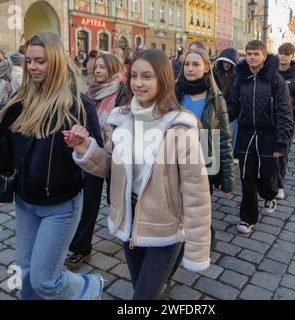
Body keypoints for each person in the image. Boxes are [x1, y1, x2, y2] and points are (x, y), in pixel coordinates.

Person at [65, 49, 212, 300]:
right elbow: (109, 166)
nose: (139, 83)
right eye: (134, 76)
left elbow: (196, 193)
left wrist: (197, 250)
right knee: (143, 292)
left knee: (142, 298)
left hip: (166, 228)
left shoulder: (180, 127)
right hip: (129, 222)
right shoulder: (122, 119)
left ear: (163, 79)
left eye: (147, 76)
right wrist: (86, 149)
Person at [0, 32, 104, 300]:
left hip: (61, 207)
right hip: (25, 201)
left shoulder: (79, 106)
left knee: (45, 280)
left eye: (40, 61)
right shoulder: (22, 101)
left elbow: (100, 165)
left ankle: (90, 288)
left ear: (56, 62)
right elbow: (4, 149)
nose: (32, 67)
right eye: (30, 61)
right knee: (24, 275)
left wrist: (85, 146)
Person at [65, 53, 127, 268]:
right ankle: (81, 248)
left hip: (116, 155)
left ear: (113, 68)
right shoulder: (89, 94)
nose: (98, 71)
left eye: (103, 67)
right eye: (96, 67)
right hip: (93, 152)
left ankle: (130, 232)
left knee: (116, 198)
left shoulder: (124, 93)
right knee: (88, 202)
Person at [227, 40, 293, 234]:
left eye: (256, 54)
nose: (252, 57)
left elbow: (284, 111)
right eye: (249, 54)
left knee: (267, 176)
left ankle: (269, 195)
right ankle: (247, 218)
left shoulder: (275, 80)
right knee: (247, 177)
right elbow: (232, 105)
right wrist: (218, 119)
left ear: (264, 55)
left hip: (268, 135)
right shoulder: (241, 78)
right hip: (246, 134)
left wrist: (282, 142)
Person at [175, 48, 235, 247]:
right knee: (177, 202)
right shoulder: (174, 92)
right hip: (175, 157)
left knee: (200, 206)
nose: (190, 69)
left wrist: (227, 179)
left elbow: (224, 139)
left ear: (207, 68)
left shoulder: (216, 99)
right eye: (187, 64)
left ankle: (204, 237)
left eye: (195, 64)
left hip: (204, 160)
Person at [276, 43, 295, 200]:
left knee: (282, 154)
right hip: (269, 117)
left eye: (286, 54)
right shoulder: (271, 70)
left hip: (287, 119)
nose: (283, 56)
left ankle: (280, 185)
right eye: (281, 53)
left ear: (292, 56)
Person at [213, 47, 238, 151]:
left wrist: (225, 113)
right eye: (224, 62)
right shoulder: (217, 75)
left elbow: (235, 100)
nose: (226, 65)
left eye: (229, 63)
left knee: (227, 143)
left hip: (230, 115)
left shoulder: (236, 77)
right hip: (216, 113)